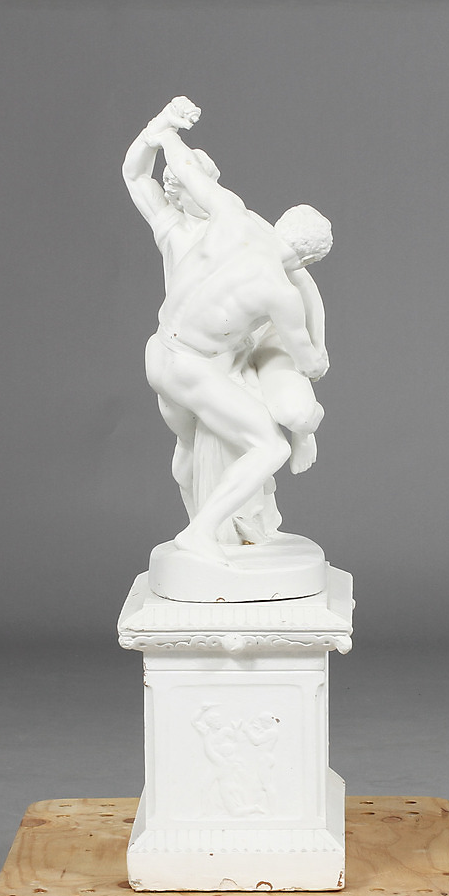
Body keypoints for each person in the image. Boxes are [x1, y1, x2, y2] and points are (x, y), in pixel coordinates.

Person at [122, 98, 332, 562]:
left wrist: (165, 132)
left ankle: (223, 524)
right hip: (193, 368)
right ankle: (200, 531)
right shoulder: (279, 291)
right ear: (306, 258)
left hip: (160, 350)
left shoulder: (230, 214)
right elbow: (307, 358)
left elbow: (182, 168)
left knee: (196, 445)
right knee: (268, 446)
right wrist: (316, 357)